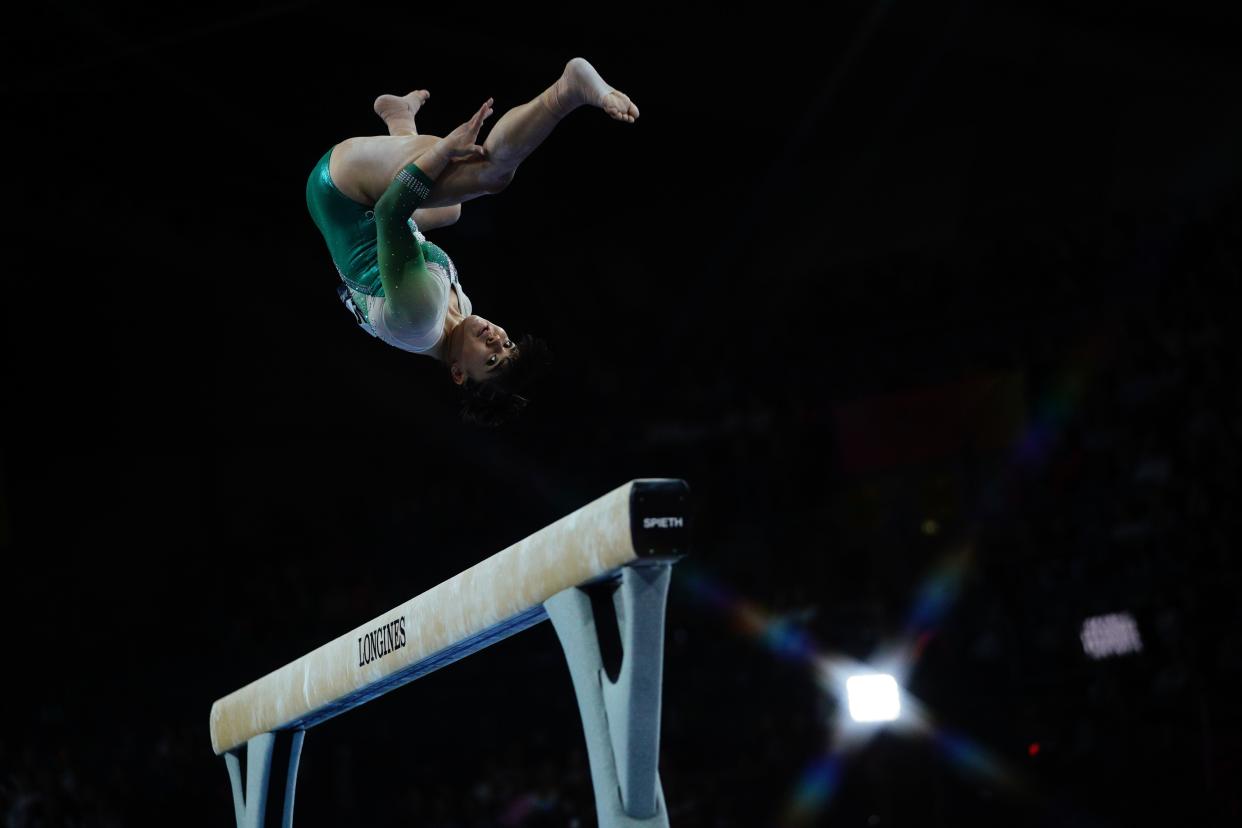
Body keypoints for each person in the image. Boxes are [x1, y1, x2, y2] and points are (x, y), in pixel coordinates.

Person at [305, 57, 639, 426]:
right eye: (508, 345)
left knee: (490, 175)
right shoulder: (457, 312)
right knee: (452, 211)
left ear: (459, 373)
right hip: (359, 216)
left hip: (341, 188)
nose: (496, 340)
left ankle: (566, 91)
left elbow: (389, 214)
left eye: (491, 360)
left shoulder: (419, 319)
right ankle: (399, 116)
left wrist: (442, 153)